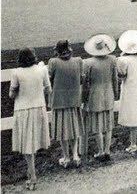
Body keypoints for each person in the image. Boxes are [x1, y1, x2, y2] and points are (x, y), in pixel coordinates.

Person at [10, 48, 51, 190]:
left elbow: (12, 94)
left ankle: (32, 176)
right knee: (32, 143)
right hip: (38, 107)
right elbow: (48, 89)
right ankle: (30, 173)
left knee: (27, 144)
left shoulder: (16, 72)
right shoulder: (42, 69)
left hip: (23, 109)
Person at [48, 40, 84, 168]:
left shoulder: (53, 62)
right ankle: (75, 155)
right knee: (74, 129)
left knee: (62, 130)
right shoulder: (78, 61)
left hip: (59, 101)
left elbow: (48, 79)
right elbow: (81, 79)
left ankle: (66, 157)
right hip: (74, 100)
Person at [82, 34, 118, 161]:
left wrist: (84, 98)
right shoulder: (112, 59)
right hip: (108, 95)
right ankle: (107, 150)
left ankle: (101, 151)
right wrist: (116, 94)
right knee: (108, 125)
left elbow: (85, 84)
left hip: (94, 96)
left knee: (97, 126)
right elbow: (115, 79)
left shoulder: (88, 63)